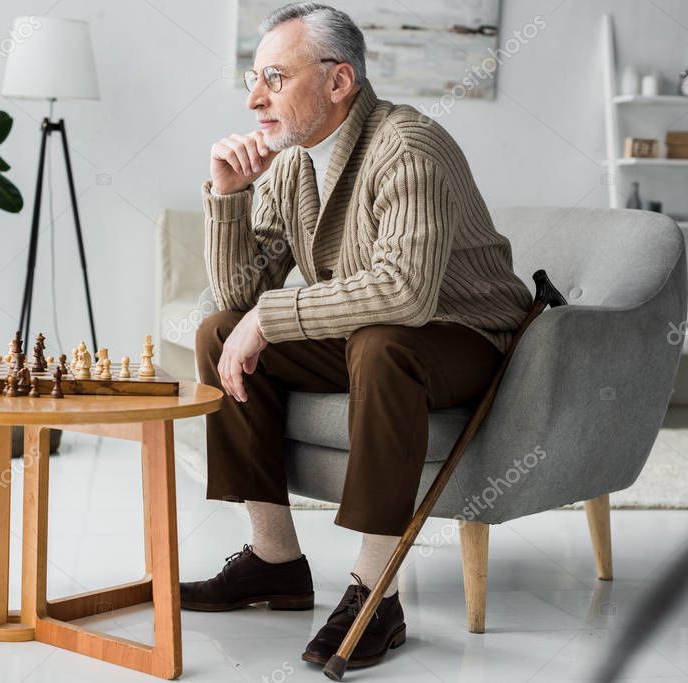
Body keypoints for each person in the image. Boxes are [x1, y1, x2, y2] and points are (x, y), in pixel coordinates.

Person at [182, 2, 532, 670]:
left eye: (274, 78)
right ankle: (273, 561)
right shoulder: (288, 164)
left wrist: (270, 318)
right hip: (372, 334)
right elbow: (238, 298)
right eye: (254, 78)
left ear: (339, 82)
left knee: (380, 341)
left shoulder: (407, 145)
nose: (254, 97)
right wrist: (226, 197)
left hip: (464, 337)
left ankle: (376, 594)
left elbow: (404, 291)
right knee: (217, 331)